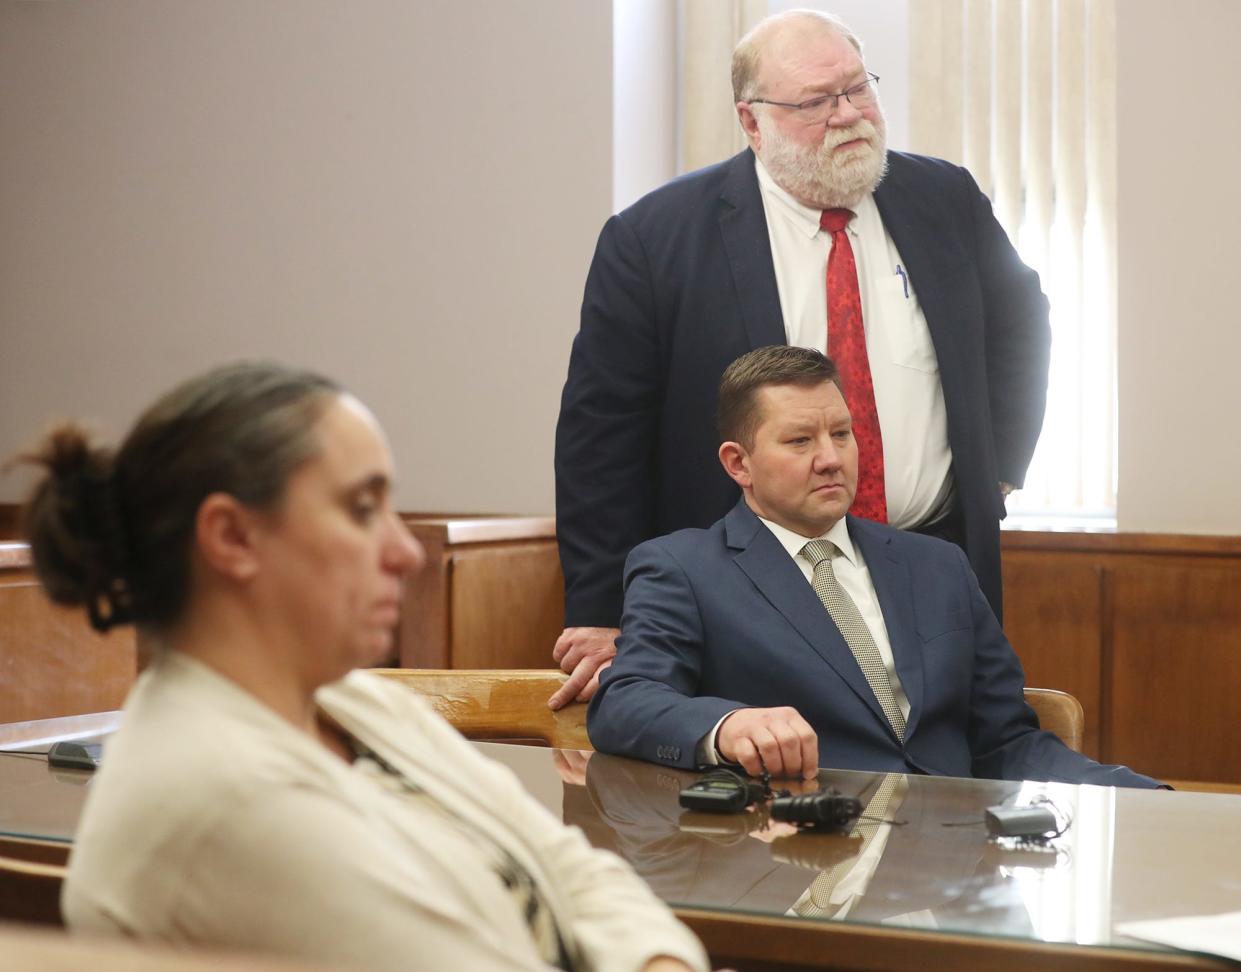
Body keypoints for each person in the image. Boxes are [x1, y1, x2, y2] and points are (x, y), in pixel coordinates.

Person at [19, 362, 707, 972]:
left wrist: (656, 958)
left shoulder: (350, 701)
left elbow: (569, 866)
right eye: (360, 508)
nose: (405, 552)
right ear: (232, 538)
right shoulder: (221, 798)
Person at [550, 9, 1051, 710]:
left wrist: (996, 469)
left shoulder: (942, 198)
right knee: (764, 791)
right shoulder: (654, 240)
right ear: (752, 122)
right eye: (816, 102)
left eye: (856, 88)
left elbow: (1020, 323)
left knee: (948, 776)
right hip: (745, 586)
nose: (848, 116)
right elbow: (601, 435)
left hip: (929, 561)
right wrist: (603, 607)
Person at [587, 346, 1159, 790]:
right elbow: (626, 701)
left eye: (841, 434)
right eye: (800, 440)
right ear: (739, 463)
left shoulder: (937, 565)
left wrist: (1144, 798)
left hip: (954, 861)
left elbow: (1004, 743)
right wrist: (728, 727)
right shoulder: (683, 567)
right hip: (803, 857)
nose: (832, 458)